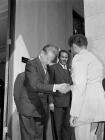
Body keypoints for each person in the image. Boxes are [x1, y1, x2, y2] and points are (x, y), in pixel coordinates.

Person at [14, 44, 71, 140]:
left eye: (51, 60)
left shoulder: (48, 68)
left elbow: (47, 87)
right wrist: (56, 86)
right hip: (28, 109)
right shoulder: (31, 64)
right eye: (48, 58)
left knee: (39, 137)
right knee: (28, 137)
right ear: (42, 53)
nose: (49, 62)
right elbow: (35, 85)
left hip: (41, 110)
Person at [68, 34, 105, 140]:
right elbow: (93, 83)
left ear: (74, 46)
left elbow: (80, 86)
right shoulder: (95, 59)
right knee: (94, 137)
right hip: (98, 106)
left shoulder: (79, 58)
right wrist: (71, 87)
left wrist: (74, 113)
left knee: (82, 136)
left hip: (85, 106)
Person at [48, 50, 75, 140]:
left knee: (67, 127)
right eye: (62, 57)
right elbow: (50, 86)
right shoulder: (53, 68)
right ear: (59, 57)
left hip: (68, 103)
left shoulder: (70, 69)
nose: (64, 59)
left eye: (66, 57)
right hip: (57, 103)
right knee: (57, 127)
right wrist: (51, 102)